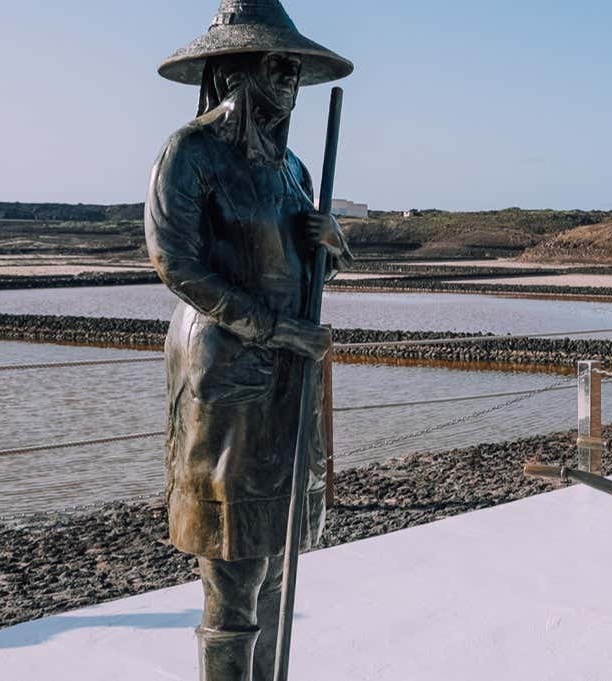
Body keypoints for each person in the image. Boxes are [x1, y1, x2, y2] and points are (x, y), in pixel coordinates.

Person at [145, 2, 354, 679]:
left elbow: (301, 268)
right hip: (226, 377)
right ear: (235, 67)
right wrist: (272, 328)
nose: (289, 74)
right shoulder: (191, 153)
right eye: (275, 62)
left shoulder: (293, 169)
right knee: (234, 576)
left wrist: (332, 245)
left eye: (293, 63)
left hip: (287, 377)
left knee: (276, 565)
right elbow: (174, 261)